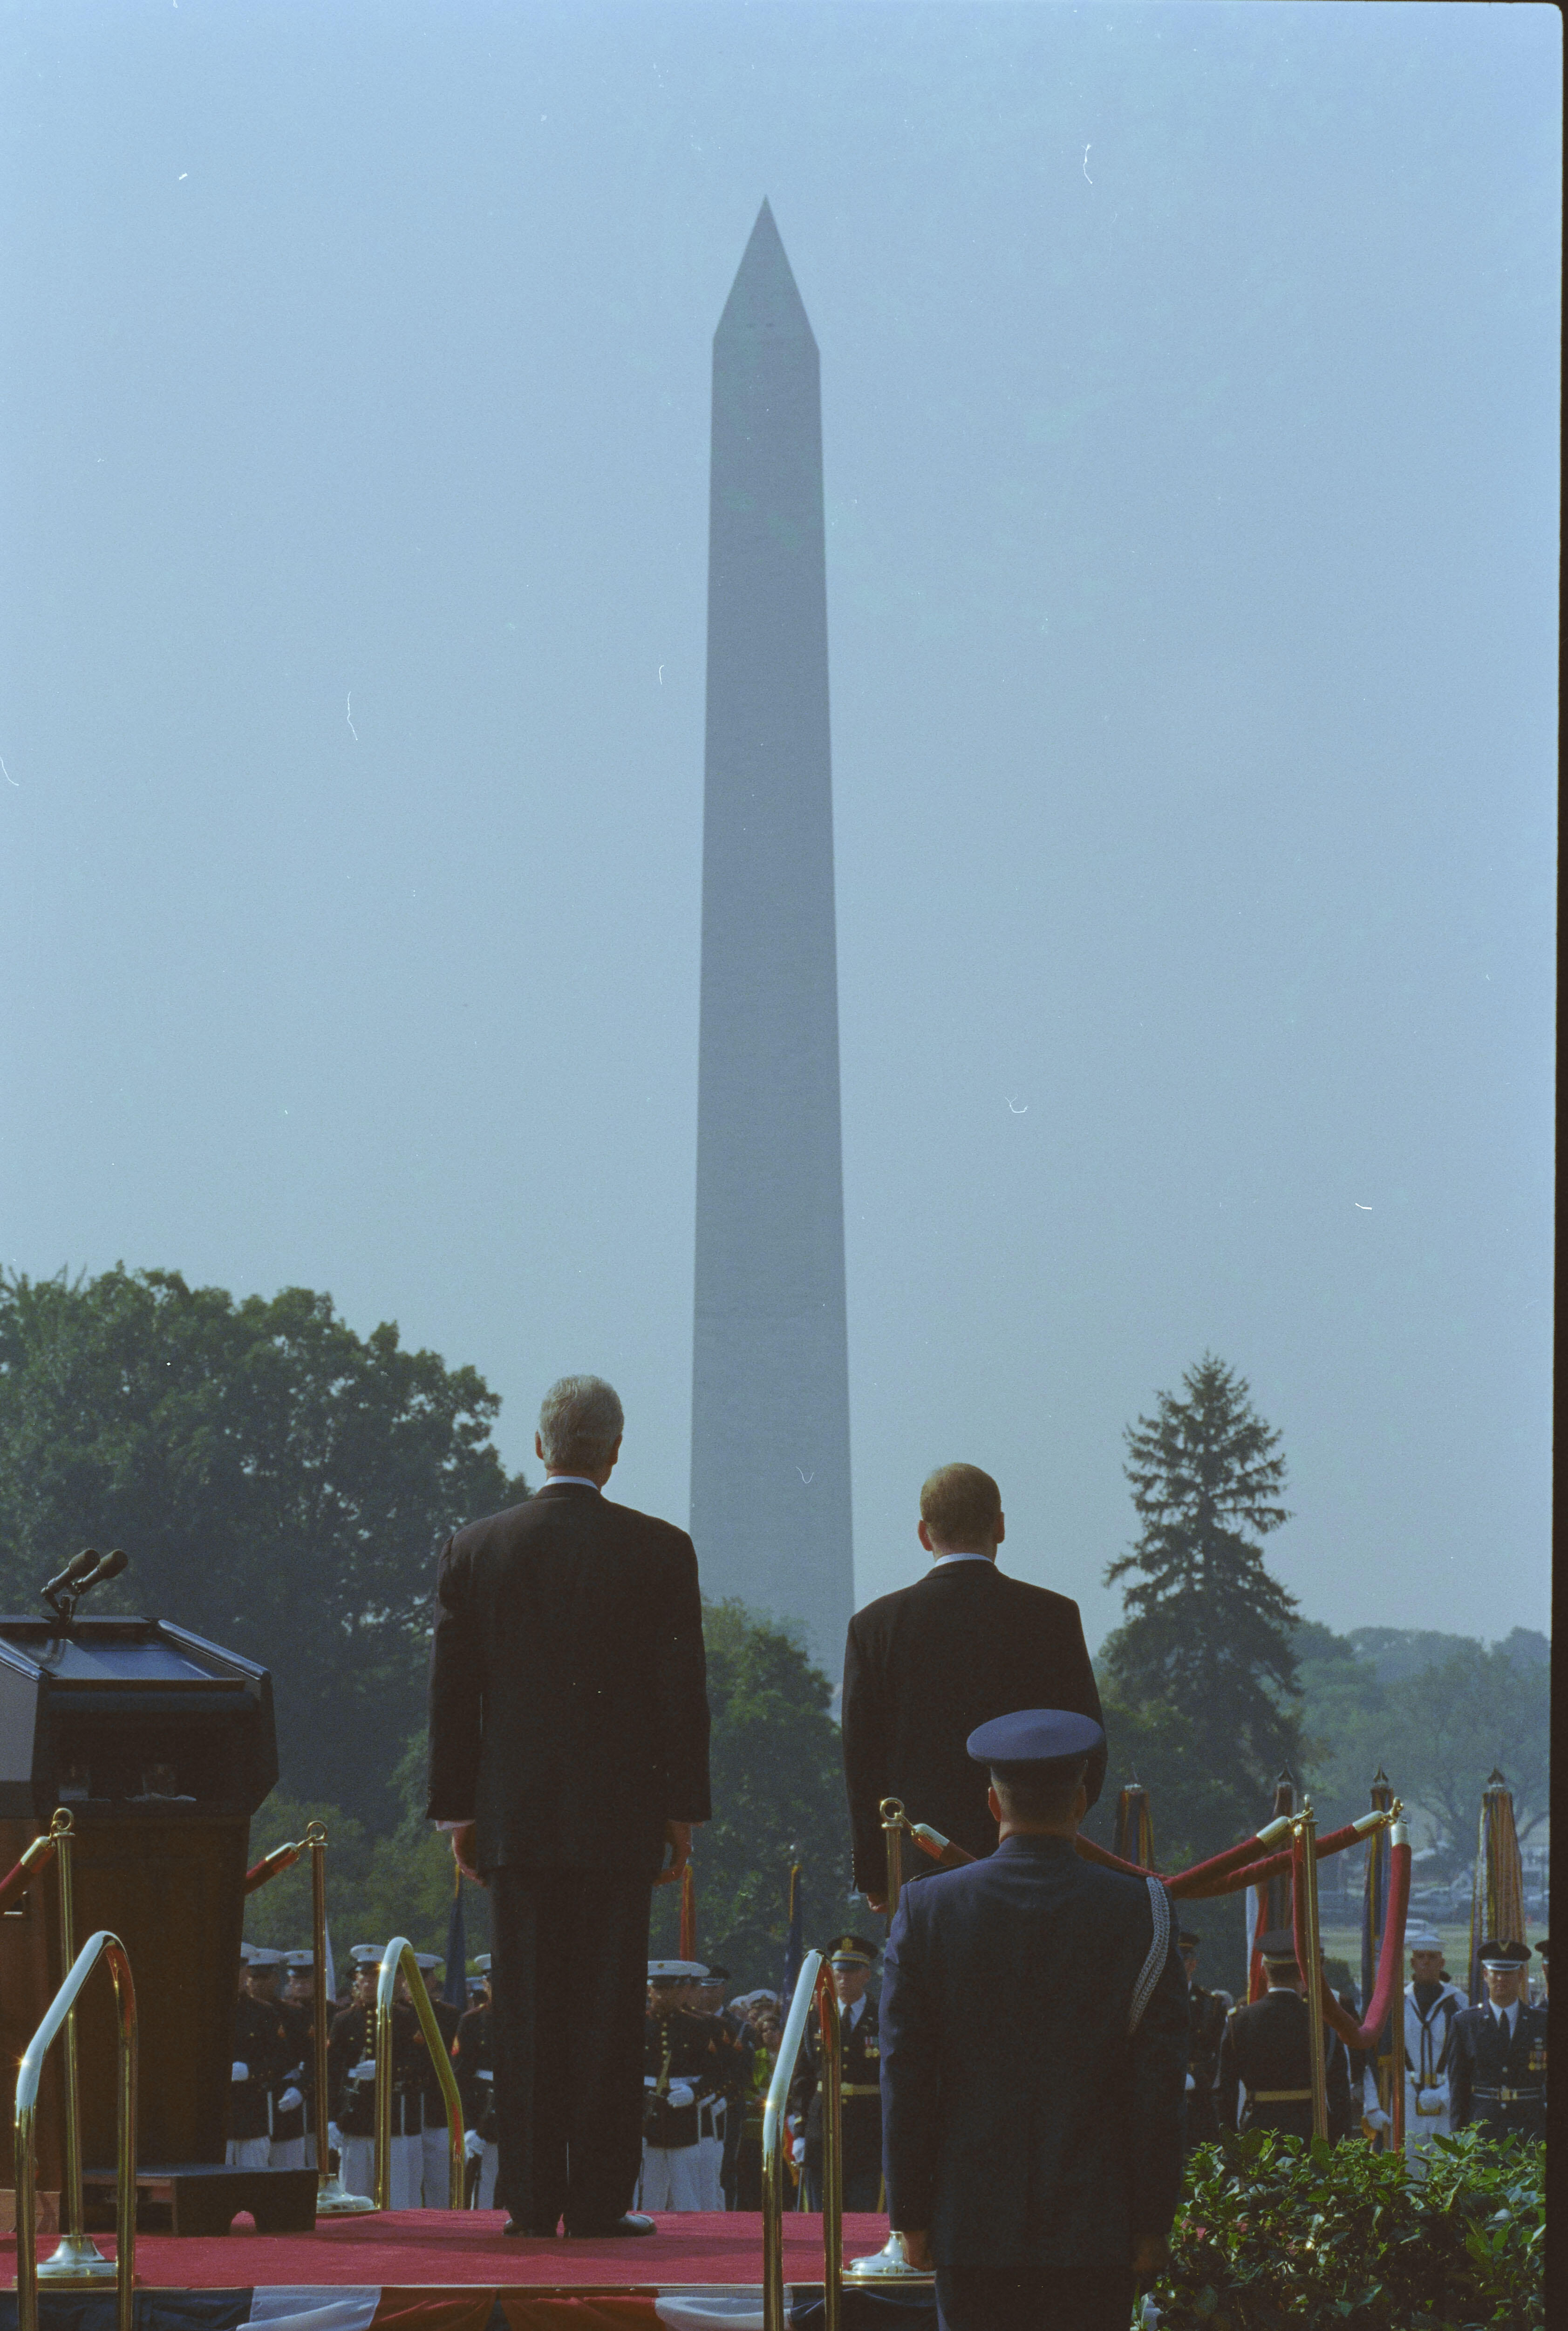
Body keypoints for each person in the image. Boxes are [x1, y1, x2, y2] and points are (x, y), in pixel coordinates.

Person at [427, 1374, 713, 2238]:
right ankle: (596, 2197)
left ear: (540, 1444)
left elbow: (453, 1697)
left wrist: (457, 1812)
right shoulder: (661, 1549)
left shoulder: (477, 1547)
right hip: (621, 1821)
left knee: (524, 2009)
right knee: (607, 2012)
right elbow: (681, 1695)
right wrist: (680, 1812)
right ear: (614, 1452)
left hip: (515, 1818)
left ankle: (528, 2194)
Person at [880, 1709, 1186, 2331]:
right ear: (1080, 1802)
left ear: (992, 1805)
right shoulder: (1142, 1910)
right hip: (1097, 2225)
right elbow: (1158, 2086)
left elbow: (904, 2076)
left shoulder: (927, 1908)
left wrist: (908, 2217)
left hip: (969, 2222)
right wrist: (1152, 2221)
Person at [842, 1464, 1106, 1908]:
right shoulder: (1053, 1616)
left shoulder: (874, 1627)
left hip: (921, 1872)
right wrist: (1059, 1829)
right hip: (1038, 1866)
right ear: (1000, 1527)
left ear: (924, 1534)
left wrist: (877, 1871)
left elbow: (862, 1764)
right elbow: (1088, 1744)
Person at [1212, 1931, 1355, 2143]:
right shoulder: (1322, 2022)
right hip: (1310, 2133)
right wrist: (1336, 2142)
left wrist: (1232, 2143)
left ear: (1263, 1972)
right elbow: (1339, 2091)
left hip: (1257, 2131)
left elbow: (1226, 2092)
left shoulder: (1238, 2021)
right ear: (1302, 1974)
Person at [787, 1933, 885, 2211]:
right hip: (822, 2130)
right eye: (839, 1971)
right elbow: (803, 2078)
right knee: (820, 2213)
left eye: (852, 1971)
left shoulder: (883, 2016)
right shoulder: (816, 2016)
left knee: (865, 2213)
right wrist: (801, 2132)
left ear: (866, 1975)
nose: (844, 1978)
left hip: (869, 2130)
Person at [327, 1944, 425, 2206]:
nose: (369, 1983)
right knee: (353, 2196)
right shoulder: (343, 2020)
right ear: (356, 1981)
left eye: (375, 1977)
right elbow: (332, 2073)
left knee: (395, 2196)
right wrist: (329, 2119)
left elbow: (419, 2065)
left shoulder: (404, 2019)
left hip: (391, 2120)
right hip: (354, 2121)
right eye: (364, 1977)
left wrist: (387, 2069)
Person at [637, 1960, 730, 2211]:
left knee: (688, 2184)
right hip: (647, 2109)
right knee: (649, 2185)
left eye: (672, 1990)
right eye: (659, 1989)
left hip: (686, 2115)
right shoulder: (636, 2024)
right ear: (649, 1991)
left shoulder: (702, 2026)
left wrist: (694, 2093)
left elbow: (720, 2075)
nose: (665, 1995)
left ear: (682, 1991)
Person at [1448, 1939, 1547, 2141]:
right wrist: (1459, 2138)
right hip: (1483, 2129)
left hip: (1531, 2129)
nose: (1502, 1979)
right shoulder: (1466, 2023)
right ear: (1486, 1975)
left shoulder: (1543, 2022)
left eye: (1509, 1973)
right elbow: (1459, 2086)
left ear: (1520, 1976)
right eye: (1496, 1972)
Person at [245, 1946, 311, 2169]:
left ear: (275, 1979)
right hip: (252, 2104)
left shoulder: (294, 2014)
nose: (258, 1983)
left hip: (286, 2101)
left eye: (264, 1977)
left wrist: (301, 2089)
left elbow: (313, 2060)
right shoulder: (241, 2013)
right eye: (253, 1977)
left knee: (289, 2171)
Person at [406, 1951, 463, 2206]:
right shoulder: (393, 2014)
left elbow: (456, 2062)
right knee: (405, 2180)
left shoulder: (449, 2015)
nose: (415, 1982)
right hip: (404, 2109)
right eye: (409, 1977)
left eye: (422, 1977)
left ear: (431, 1981)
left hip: (436, 2106)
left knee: (438, 2179)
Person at [229, 1944, 293, 2169]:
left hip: (252, 2116)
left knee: (252, 2188)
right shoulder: (202, 2010)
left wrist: (251, 2072)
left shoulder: (263, 2012)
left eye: (238, 1970)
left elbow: (282, 2060)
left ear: (246, 1973)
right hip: (215, 2121)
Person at [453, 1957, 498, 2208]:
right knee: (482, 2190)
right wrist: (468, 2127)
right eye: (493, 1981)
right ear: (485, 1984)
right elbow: (460, 2078)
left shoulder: (528, 2019)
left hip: (517, 2117)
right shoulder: (471, 2021)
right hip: (482, 2113)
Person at [1178, 1929, 1228, 2151]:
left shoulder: (1211, 2005)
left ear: (1192, 1965)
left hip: (1197, 2101)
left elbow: (1216, 2054)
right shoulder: (1148, 2001)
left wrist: (1192, 2077)